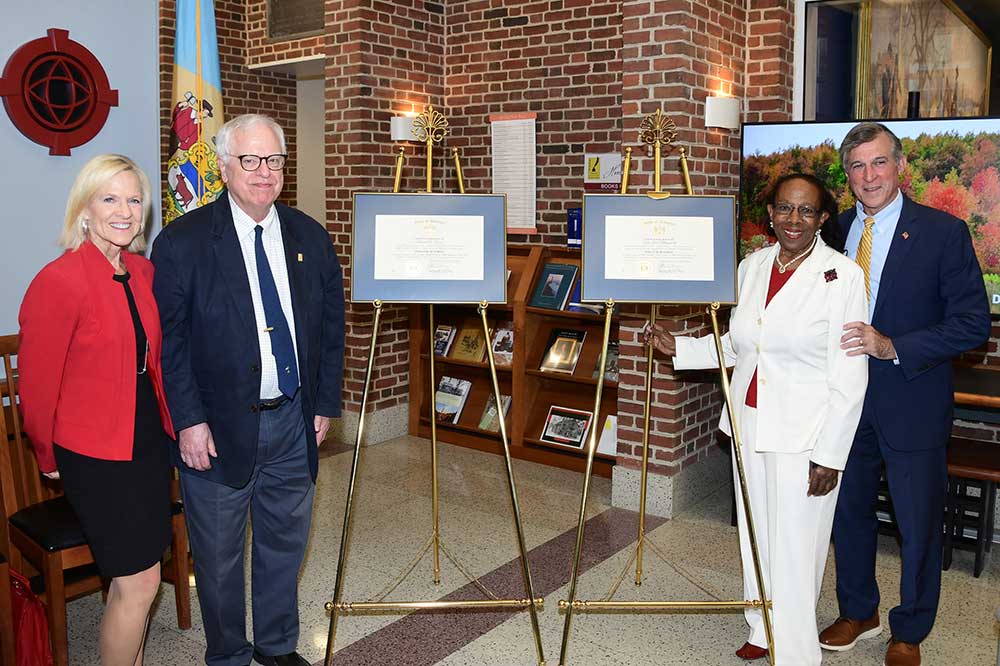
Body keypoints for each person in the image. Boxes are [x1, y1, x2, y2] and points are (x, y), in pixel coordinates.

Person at [646, 174, 869, 666]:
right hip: (747, 426)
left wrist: (831, 454)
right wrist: (681, 347)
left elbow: (850, 375)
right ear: (770, 214)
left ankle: (794, 652)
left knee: (795, 549)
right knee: (754, 537)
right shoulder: (752, 266)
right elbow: (740, 343)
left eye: (807, 211)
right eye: (785, 209)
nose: (794, 219)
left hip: (804, 437)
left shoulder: (843, 277)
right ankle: (762, 628)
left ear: (823, 218)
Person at [151, 114, 345, 666]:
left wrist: (323, 404)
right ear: (223, 166)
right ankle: (229, 653)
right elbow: (172, 344)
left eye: (275, 160)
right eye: (250, 160)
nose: (264, 173)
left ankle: (277, 645)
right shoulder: (183, 243)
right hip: (214, 428)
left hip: (292, 419)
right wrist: (188, 421)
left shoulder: (308, 235)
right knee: (217, 555)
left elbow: (331, 327)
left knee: (285, 542)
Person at [821, 122, 990, 666]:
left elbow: (972, 324)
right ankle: (858, 610)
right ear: (846, 176)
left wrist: (893, 345)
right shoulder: (836, 231)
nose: (868, 176)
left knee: (917, 524)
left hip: (912, 400)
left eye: (878, 163)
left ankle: (909, 630)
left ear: (899, 167)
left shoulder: (944, 232)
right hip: (844, 401)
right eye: (857, 166)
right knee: (848, 513)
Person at [18, 154, 173, 666]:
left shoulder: (143, 272)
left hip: (146, 437)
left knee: (141, 576)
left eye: (134, 199)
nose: (124, 210)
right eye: (110, 198)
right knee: (139, 579)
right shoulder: (58, 280)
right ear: (84, 210)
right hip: (93, 449)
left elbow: (154, 361)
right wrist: (46, 455)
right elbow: (37, 388)